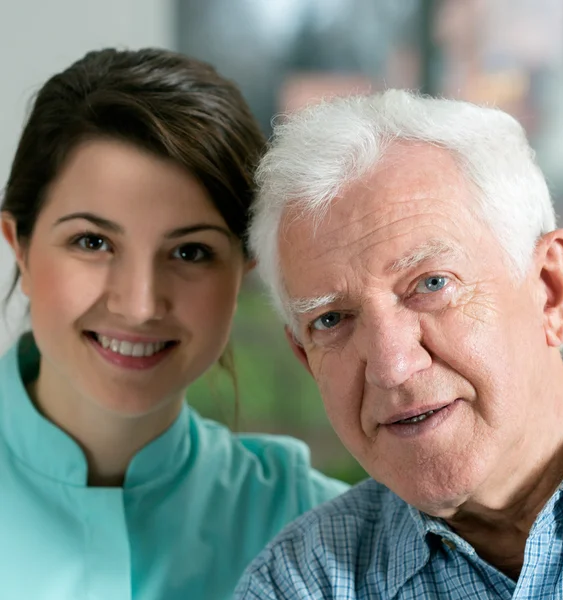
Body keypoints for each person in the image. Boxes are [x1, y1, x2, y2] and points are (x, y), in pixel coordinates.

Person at [0, 47, 348, 600]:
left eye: (190, 252)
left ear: (243, 272)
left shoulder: (321, 533)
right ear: (19, 245)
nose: (140, 305)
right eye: (92, 242)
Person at [235, 89, 563, 599]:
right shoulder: (302, 584)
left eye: (432, 284)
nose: (392, 366)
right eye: (332, 318)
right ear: (305, 358)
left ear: (552, 290)